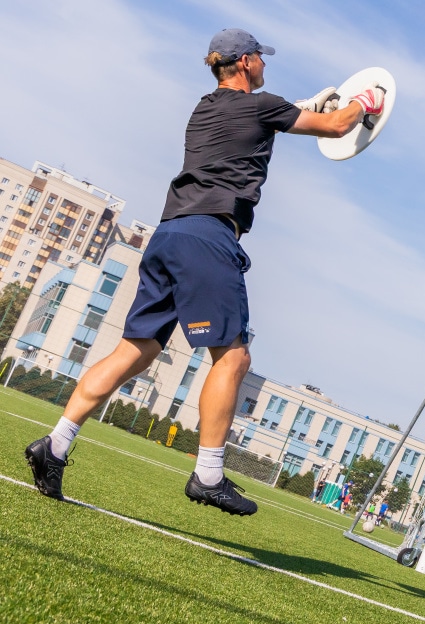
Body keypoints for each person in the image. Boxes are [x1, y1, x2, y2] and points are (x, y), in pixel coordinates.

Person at [22, 28, 385, 515]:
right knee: (232, 359)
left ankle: (56, 444)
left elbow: (259, 122)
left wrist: (301, 106)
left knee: (137, 349)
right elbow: (340, 126)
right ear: (246, 61)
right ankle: (208, 475)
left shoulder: (205, 109)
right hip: (209, 238)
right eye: (261, 59)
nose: (265, 66)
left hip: (169, 233)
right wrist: (365, 101)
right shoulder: (261, 106)